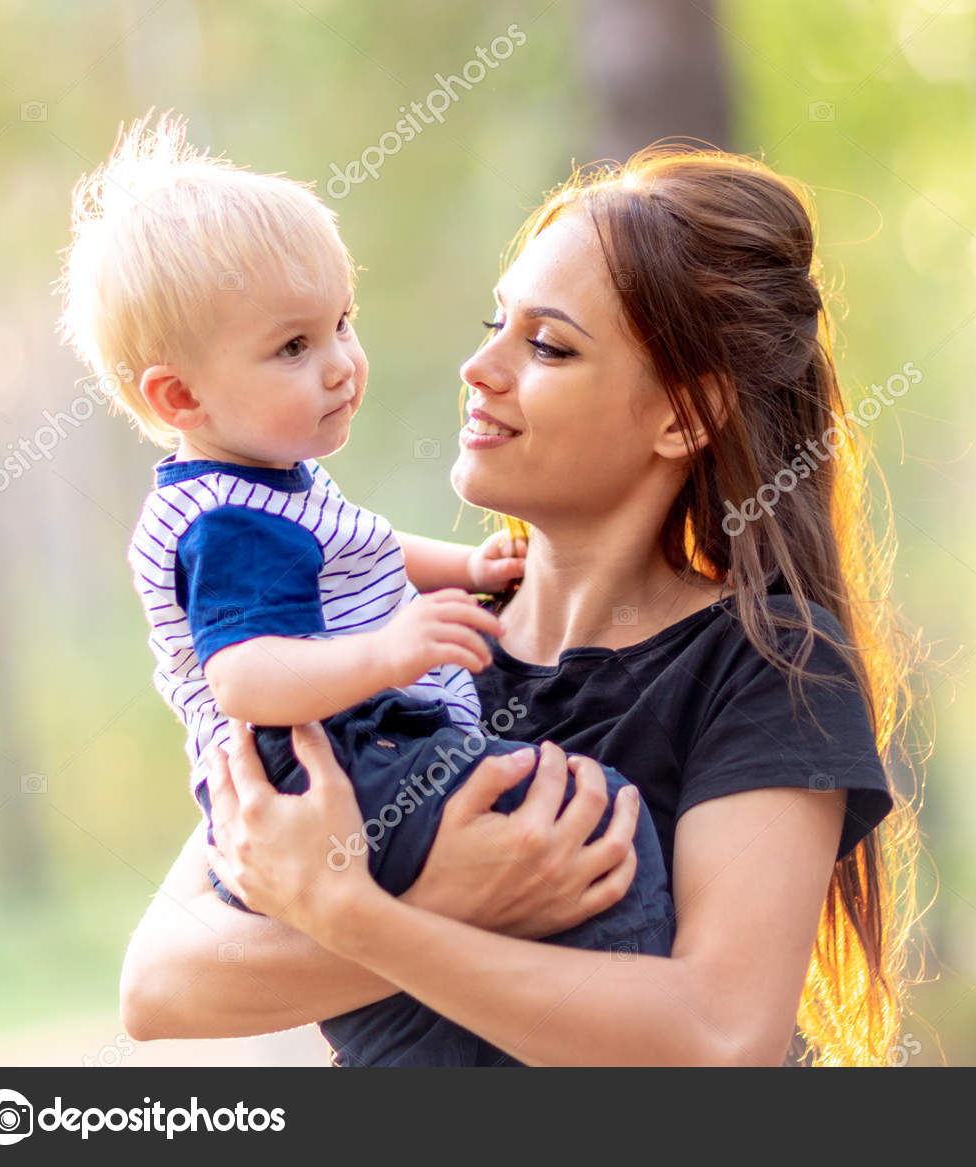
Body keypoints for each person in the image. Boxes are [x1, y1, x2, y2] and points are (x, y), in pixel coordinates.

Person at [121, 145, 923, 1066]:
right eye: (494, 322)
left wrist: (360, 919)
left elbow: (720, 1036)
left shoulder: (767, 661)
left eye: (546, 344)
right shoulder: (396, 640)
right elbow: (160, 985)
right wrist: (453, 902)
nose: (478, 367)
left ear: (683, 417)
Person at [58, 113, 676, 1065]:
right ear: (180, 399)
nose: (342, 363)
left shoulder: (270, 485)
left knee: (418, 1004)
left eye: (342, 322)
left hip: (352, 756)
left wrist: (465, 568)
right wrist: (390, 651)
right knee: (591, 821)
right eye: (293, 347)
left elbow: (368, 547)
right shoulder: (231, 526)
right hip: (337, 759)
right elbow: (249, 678)